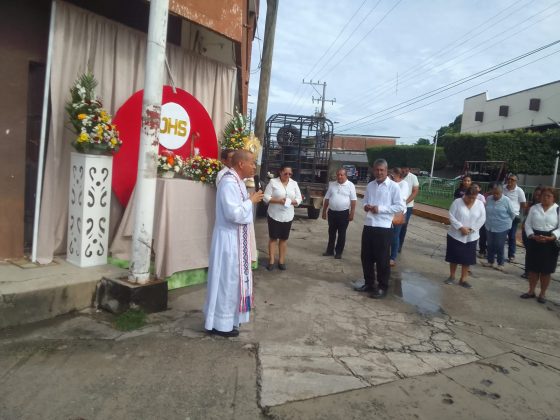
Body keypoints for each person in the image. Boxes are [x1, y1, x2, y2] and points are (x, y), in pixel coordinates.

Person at [203, 150, 264, 337]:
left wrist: (249, 200)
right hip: (228, 240)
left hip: (237, 238)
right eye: (252, 163)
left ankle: (229, 321)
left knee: (233, 281)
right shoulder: (229, 183)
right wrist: (251, 201)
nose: (254, 167)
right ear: (241, 164)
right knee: (226, 281)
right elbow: (233, 214)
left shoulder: (238, 182)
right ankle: (220, 324)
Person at [355, 159, 406, 299]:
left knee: (382, 259)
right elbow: (365, 201)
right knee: (366, 257)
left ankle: (383, 287)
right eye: (377, 170)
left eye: (382, 170)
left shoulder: (393, 187)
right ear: (373, 170)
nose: (379, 172)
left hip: (384, 227)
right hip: (369, 224)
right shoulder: (370, 185)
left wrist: (381, 209)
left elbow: (400, 206)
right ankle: (369, 283)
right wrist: (366, 206)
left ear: (386, 170)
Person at [521, 187, 560, 304]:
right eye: (543, 195)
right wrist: (532, 236)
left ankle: (542, 293)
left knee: (546, 271)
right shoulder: (534, 208)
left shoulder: (557, 209)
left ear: (554, 198)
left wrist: (552, 237)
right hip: (534, 240)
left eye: (549, 196)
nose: (545, 198)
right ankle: (531, 291)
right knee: (533, 269)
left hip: (550, 242)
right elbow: (527, 224)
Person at [444, 186, 486, 288]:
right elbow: (451, 216)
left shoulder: (480, 204)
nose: (471, 200)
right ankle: (452, 276)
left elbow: (482, 218)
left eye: (473, 198)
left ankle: (463, 279)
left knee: (467, 259)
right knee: (454, 257)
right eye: (469, 197)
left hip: (471, 236)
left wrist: (471, 229)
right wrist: (460, 227)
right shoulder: (457, 202)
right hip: (455, 235)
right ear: (465, 195)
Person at [263, 164, 302, 270]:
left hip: (288, 215)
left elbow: (299, 198)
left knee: (284, 239)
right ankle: (271, 260)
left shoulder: (294, 183)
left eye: (290, 174)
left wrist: (293, 202)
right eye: (285, 173)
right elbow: (266, 197)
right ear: (280, 172)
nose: (288, 176)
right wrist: (278, 201)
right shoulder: (273, 182)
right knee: (273, 238)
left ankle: (281, 261)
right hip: (274, 214)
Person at [321, 167, 357, 259]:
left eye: (341, 175)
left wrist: (352, 213)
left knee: (342, 233)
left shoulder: (350, 185)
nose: (339, 176)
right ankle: (330, 251)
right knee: (331, 232)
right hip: (332, 213)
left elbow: (353, 200)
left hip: (343, 214)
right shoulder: (332, 185)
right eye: (338, 175)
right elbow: (327, 198)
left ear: (346, 175)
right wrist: (324, 211)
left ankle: (338, 252)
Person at [480, 184, 515, 272]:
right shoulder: (489, 198)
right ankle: (490, 261)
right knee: (490, 244)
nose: (495, 195)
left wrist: (507, 223)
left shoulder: (506, 200)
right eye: (494, 193)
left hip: (502, 226)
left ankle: (500, 263)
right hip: (489, 225)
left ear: (501, 192)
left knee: (499, 245)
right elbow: (485, 209)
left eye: (497, 194)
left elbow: (512, 213)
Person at [389, 167, 410, 267]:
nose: (391, 175)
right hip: (388, 212)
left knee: (395, 235)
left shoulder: (404, 184)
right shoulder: (390, 183)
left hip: (399, 213)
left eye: (393, 173)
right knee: (386, 235)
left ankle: (392, 257)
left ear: (398, 175)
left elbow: (402, 198)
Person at [503, 175, 527, 263]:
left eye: (512, 179)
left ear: (516, 181)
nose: (510, 180)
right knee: (501, 235)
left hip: (513, 216)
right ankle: (498, 253)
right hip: (502, 216)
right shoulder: (503, 188)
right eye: (508, 179)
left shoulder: (519, 191)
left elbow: (523, 204)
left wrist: (517, 211)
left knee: (512, 236)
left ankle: (511, 255)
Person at [521, 186, 543, 278]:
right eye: (535, 194)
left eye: (539, 195)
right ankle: (527, 271)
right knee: (529, 252)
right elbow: (525, 216)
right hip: (528, 231)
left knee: (538, 254)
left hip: (540, 232)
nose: (537, 197)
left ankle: (537, 271)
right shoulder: (531, 205)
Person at [398, 166, 419, 252]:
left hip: (408, 206)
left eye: (407, 170)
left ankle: (399, 245)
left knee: (403, 225)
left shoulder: (413, 177)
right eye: (403, 169)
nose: (405, 171)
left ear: (409, 170)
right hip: (395, 205)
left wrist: (405, 202)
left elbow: (415, 191)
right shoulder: (397, 175)